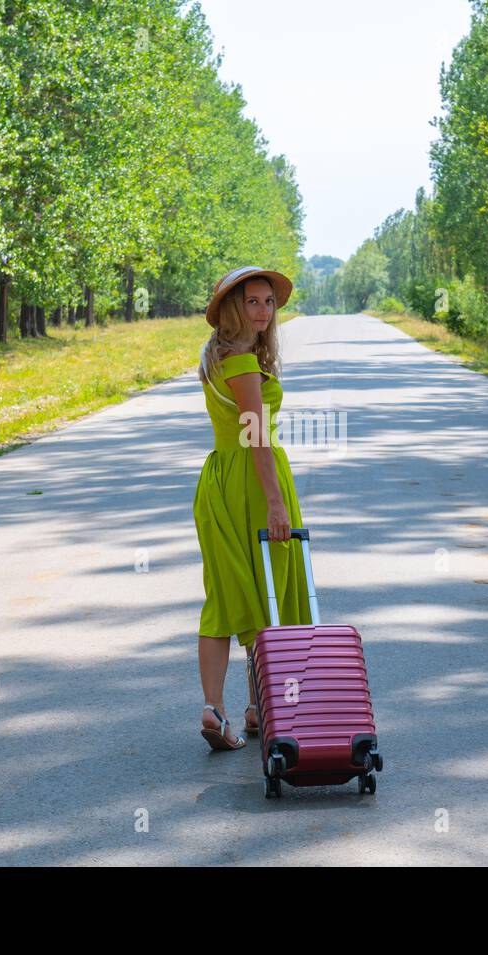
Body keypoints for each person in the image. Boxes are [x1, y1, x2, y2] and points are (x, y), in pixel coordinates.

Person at [193, 266, 312, 751]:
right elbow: (256, 435)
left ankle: (227, 709)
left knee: (230, 593)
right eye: (253, 302)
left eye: (269, 302)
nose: (263, 311)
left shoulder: (219, 357)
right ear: (231, 309)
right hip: (250, 481)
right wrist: (276, 502)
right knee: (269, 592)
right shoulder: (241, 364)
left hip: (221, 479)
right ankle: (248, 706)